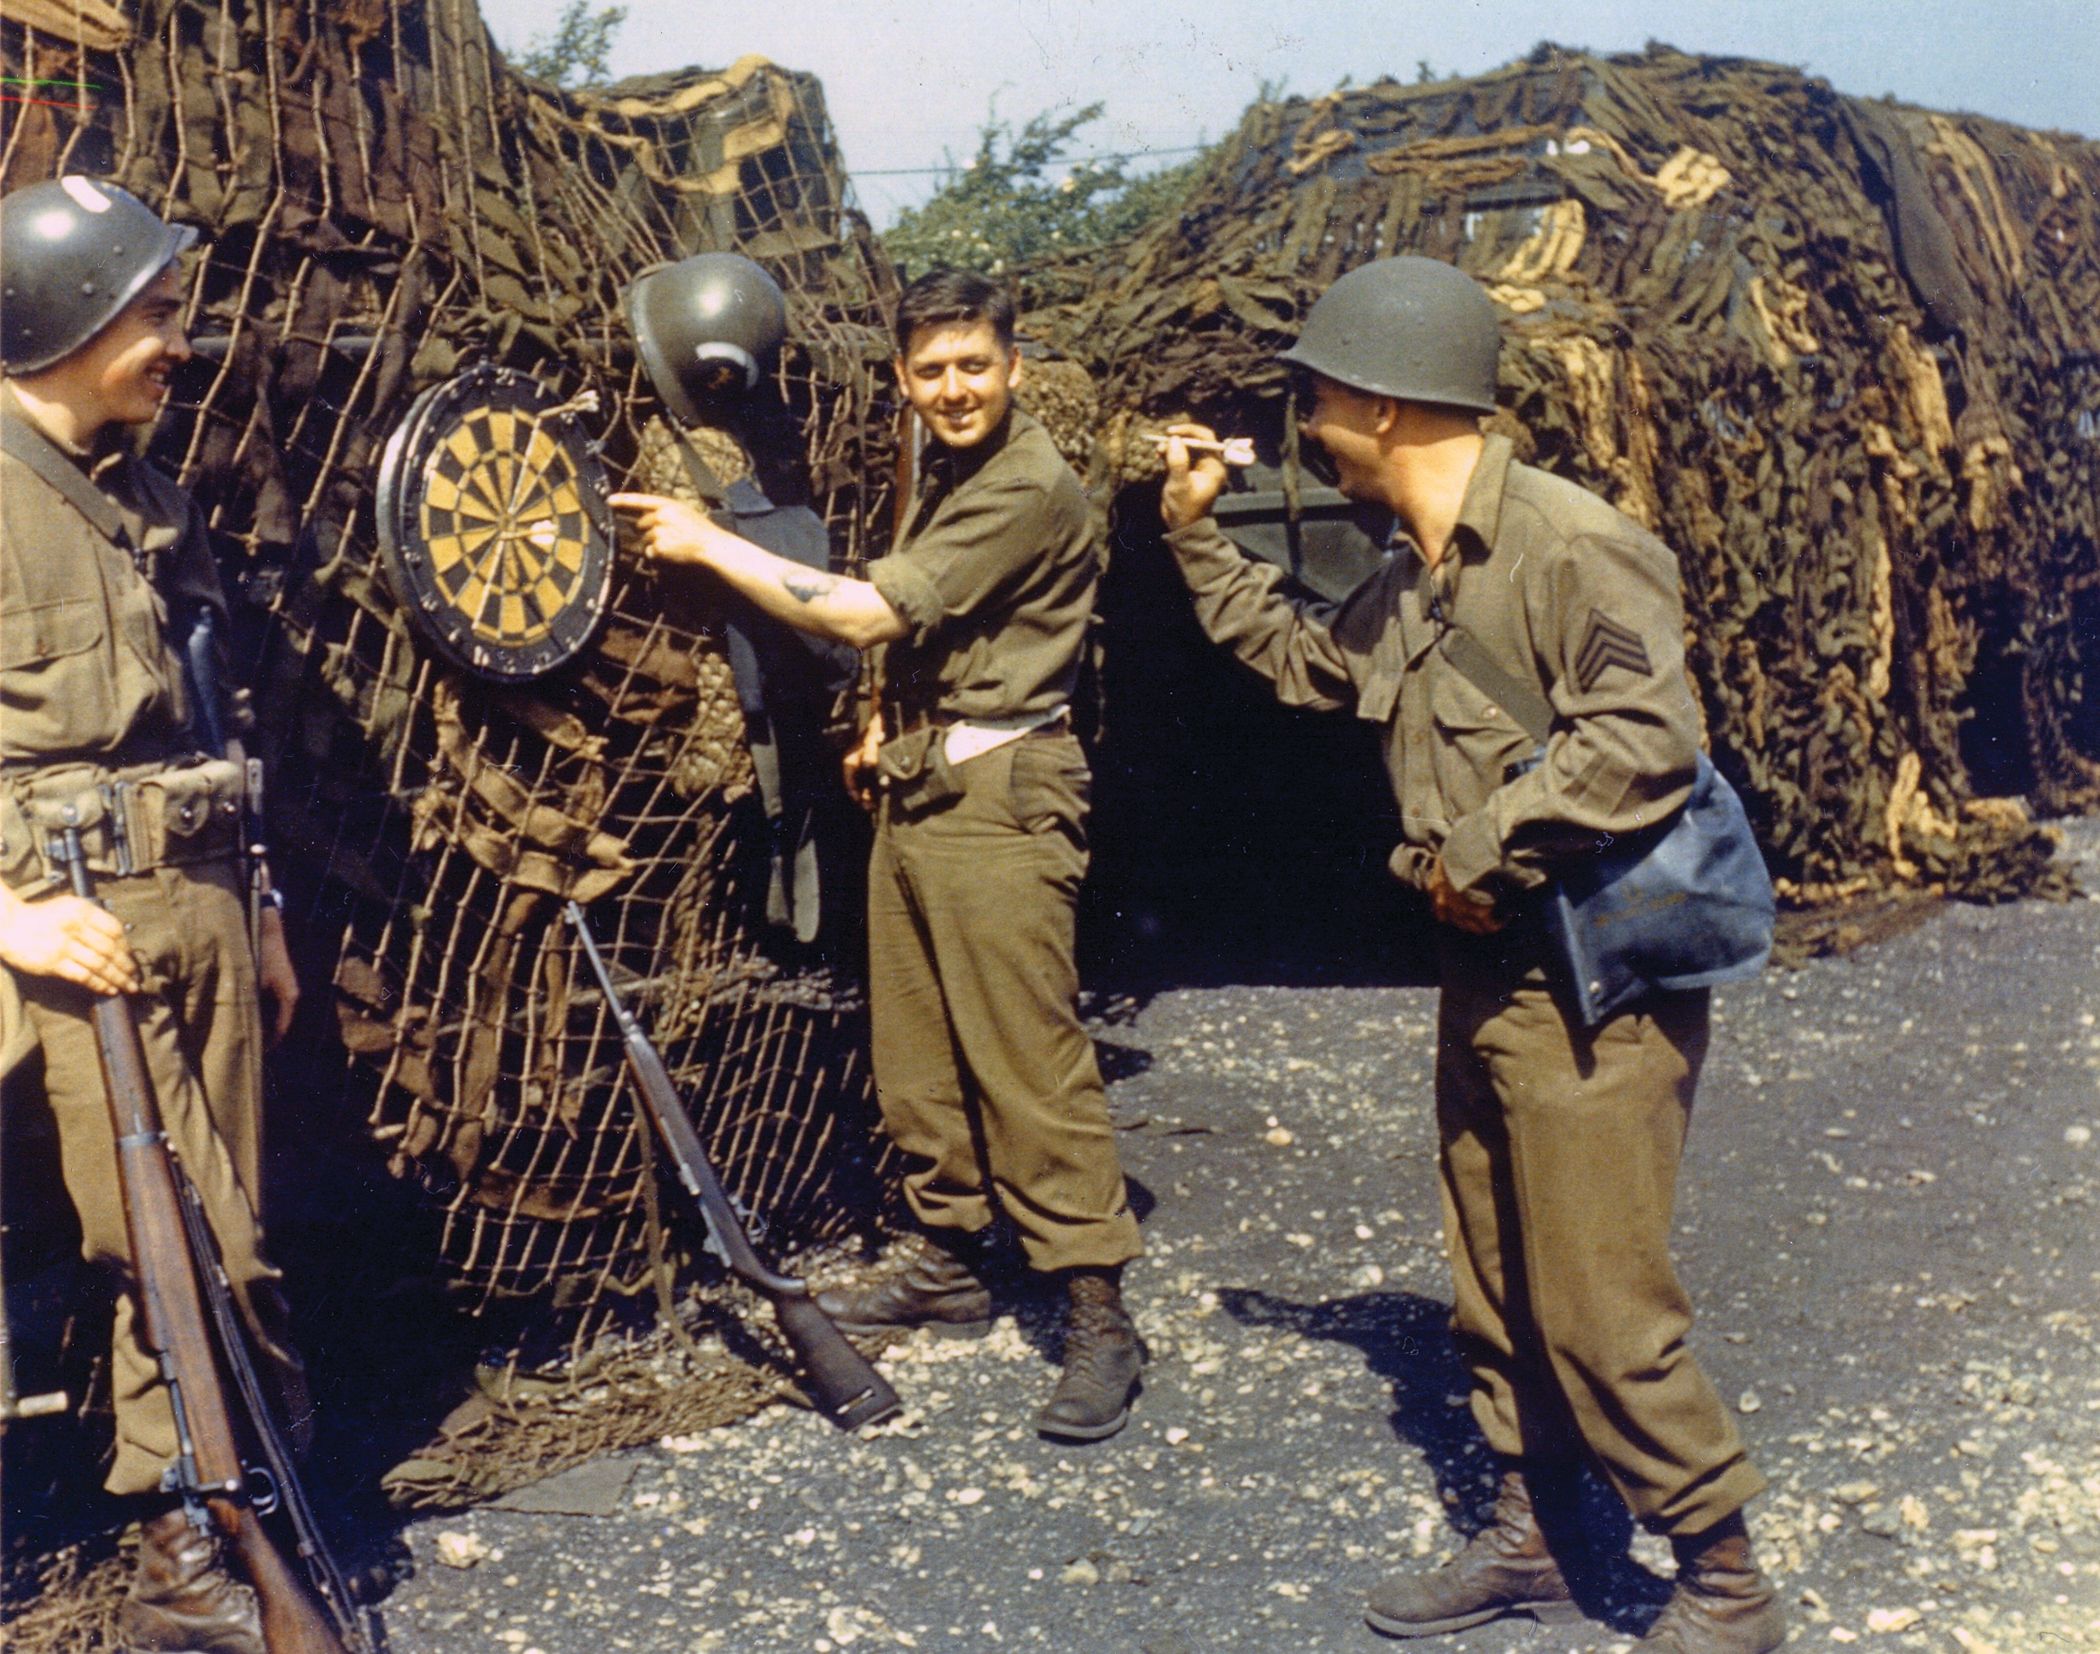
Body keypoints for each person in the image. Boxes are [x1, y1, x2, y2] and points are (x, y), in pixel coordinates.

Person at [1158, 256, 1784, 1653]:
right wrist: (1198, 536)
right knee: (1499, 1276)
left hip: (1593, 987)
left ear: (1381, 406)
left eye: (1318, 400)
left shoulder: (1568, 545)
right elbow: (1313, 662)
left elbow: (1646, 742)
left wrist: (1476, 844)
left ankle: (1725, 1572)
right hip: (1492, 974)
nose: (1309, 424)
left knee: (1601, 1303)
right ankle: (1537, 1535)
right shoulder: (1416, 573)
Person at [612, 268, 1143, 1441]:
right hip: (924, 781)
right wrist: (878, 724)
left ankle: (1097, 1307)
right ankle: (949, 1255)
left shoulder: (1025, 484)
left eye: (975, 366)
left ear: (1013, 364)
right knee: (918, 1048)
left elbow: (865, 614)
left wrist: (705, 542)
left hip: (1003, 792)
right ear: (904, 378)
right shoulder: (948, 470)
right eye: (933, 370)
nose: (954, 389)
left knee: (1025, 1055)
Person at [0, 176, 304, 1654]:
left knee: (207, 1236)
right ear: (66, 316)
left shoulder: (150, 493)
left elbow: (214, 711)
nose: (181, 342)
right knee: (179, 1242)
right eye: (156, 314)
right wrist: (5, 921)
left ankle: (198, 1549)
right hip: (69, 925)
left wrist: (265, 914)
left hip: (198, 898)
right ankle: (204, 1525)